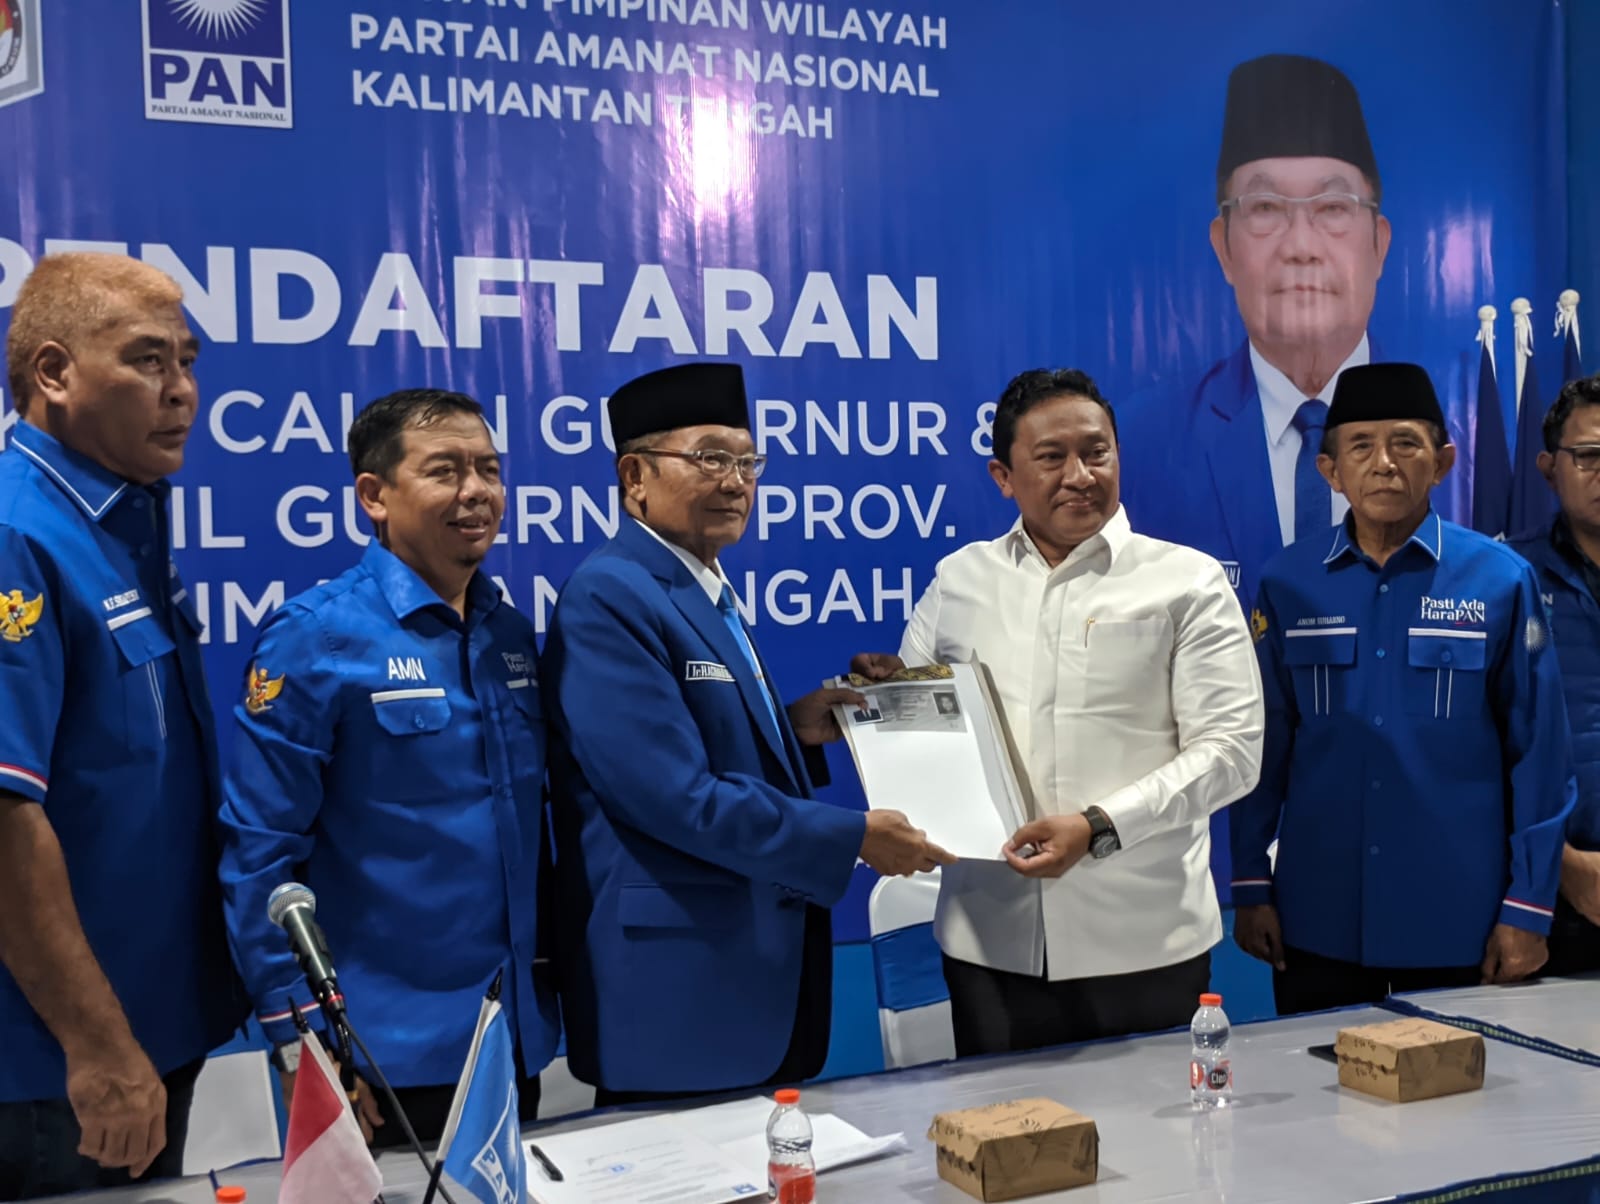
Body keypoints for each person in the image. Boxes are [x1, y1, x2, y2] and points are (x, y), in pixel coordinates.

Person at [542, 361, 953, 1103]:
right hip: (679, 995)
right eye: (709, 458)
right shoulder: (610, 595)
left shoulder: (700, 583)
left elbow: (696, 741)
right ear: (635, 476)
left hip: (743, 978)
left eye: (746, 461)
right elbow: (672, 797)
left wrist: (796, 730)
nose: (735, 482)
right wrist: (851, 837)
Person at [852, 369, 1264, 1056]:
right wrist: (887, 700)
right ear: (1003, 477)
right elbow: (920, 731)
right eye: (1051, 457)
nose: (1080, 475)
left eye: (1096, 453)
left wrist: (1098, 826)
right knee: (1007, 1123)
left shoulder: (1187, 582)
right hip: (989, 943)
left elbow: (1231, 753)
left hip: (1144, 940)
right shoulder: (960, 581)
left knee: (1156, 1128)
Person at [218, 389, 558, 1145]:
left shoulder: (507, 632)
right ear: (374, 495)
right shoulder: (316, 637)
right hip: (377, 1057)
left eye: (489, 469)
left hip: (509, 1040)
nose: (476, 491)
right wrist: (303, 1040)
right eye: (445, 471)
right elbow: (260, 851)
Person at [0, 253, 245, 1199]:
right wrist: (97, 1045)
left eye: (187, 362)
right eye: (147, 360)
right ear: (54, 373)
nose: (180, 390)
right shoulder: (18, 534)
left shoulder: (120, 520)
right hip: (55, 1063)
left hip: (150, 1024)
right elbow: (6, 817)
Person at [1231, 363, 1574, 1013]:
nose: (1383, 464)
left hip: (1459, 917)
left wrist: (1528, 906)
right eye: (1360, 446)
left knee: (1460, 1080)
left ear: (1442, 463)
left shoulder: (1501, 580)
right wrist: (1250, 882)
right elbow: (1262, 744)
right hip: (1318, 918)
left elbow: (1541, 756)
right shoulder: (1287, 584)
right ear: (1330, 470)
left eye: (1406, 444)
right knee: (1311, 1076)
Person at [1121, 53, 1392, 612]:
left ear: (1379, 244)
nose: (1301, 246)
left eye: (1333, 207)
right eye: (1266, 207)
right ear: (1223, 247)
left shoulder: (1457, 444)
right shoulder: (1140, 446)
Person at [1510, 374, 1600, 974]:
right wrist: (1561, 866)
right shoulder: (1505, 579)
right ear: (1548, 468)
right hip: (1553, 897)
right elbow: (1481, 748)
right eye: (1590, 456)